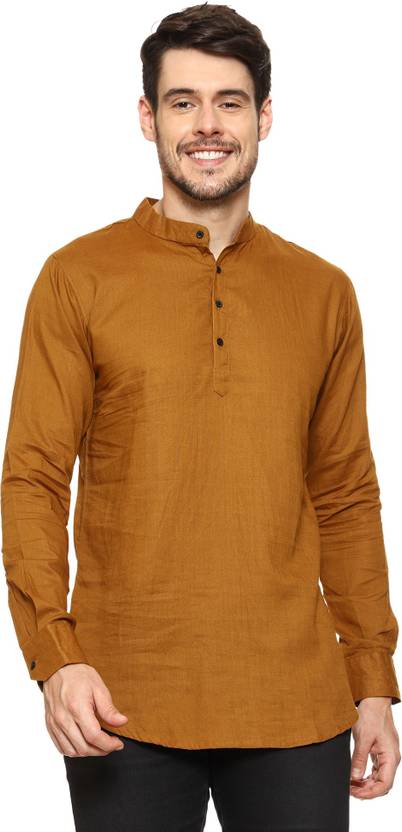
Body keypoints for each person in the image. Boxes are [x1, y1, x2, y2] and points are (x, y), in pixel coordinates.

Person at [1, 3, 401, 830]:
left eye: (230, 102)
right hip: (122, 696)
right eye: (183, 102)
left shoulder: (323, 292)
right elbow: (33, 478)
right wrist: (56, 658)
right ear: (149, 118)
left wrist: (371, 679)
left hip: (296, 700)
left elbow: (345, 495)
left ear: (263, 118)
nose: (208, 125)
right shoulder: (78, 278)